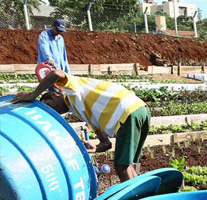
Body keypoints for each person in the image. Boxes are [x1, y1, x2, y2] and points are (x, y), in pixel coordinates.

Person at [11, 69, 150, 183]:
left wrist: (33, 94)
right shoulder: (82, 110)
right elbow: (106, 143)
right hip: (140, 110)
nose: (53, 112)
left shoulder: (72, 90)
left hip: (127, 112)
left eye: (49, 106)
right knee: (128, 165)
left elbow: (56, 74)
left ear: (54, 95)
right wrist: (94, 148)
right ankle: (144, 197)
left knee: (121, 166)